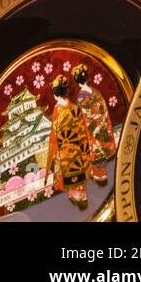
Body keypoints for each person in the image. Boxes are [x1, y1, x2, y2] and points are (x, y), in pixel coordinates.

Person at [46, 75, 93, 208]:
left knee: (68, 172)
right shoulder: (75, 108)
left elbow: (54, 134)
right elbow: (83, 129)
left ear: (55, 94)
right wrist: (86, 150)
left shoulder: (57, 110)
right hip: (77, 148)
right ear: (65, 92)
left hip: (65, 151)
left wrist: (53, 154)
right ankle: (81, 194)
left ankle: (74, 195)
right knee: (79, 170)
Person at [72, 64, 116, 185]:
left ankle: (101, 176)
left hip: (94, 128)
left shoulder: (82, 97)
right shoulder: (95, 91)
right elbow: (103, 108)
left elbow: (86, 115)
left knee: (97, 152)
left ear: (77, 81)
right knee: (104, 150)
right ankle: (108, 174)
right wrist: (102, 120)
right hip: (102, 123)